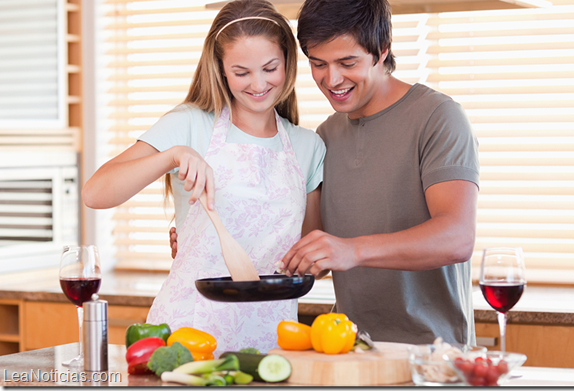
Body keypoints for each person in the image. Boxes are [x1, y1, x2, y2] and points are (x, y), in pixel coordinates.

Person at [82, 0, 325, 353]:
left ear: (288, 61)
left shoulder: (308, 147)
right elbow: (95, 193)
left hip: (271, 338)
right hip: (187, 330)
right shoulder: (190, 124)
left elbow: (310, 257)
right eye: (241, 72)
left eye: (270, 68)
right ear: (221, 69)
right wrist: (173, 155)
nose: (258, 84)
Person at [278, 0, 480, 346]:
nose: (332, 79)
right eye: (318, 63)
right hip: (350, 350)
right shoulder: (325, 137)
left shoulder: (437, 118)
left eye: (347, 62)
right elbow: (312, 252)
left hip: (433, 357)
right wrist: (202, 236)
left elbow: (457, 238)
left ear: (382, 51)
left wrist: (353, 251)